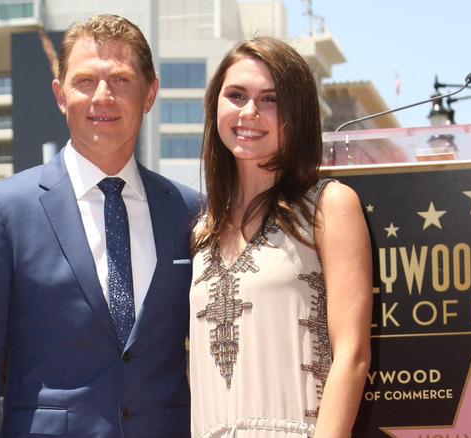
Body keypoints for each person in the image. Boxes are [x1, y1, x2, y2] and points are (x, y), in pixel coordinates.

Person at [0, 14, 201, 438]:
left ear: (149, 93)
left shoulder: (190, 212)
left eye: (120, 80)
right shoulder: (5, 210)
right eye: (85, 81)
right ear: (60, 95)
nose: (103, 96)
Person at [188, 36, 372, 438]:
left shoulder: (329, 207)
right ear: (215, 106)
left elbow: (352, 356)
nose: (249, 111)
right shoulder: (202, 231)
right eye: (236, 95)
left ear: (298, 113)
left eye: (269, 99)